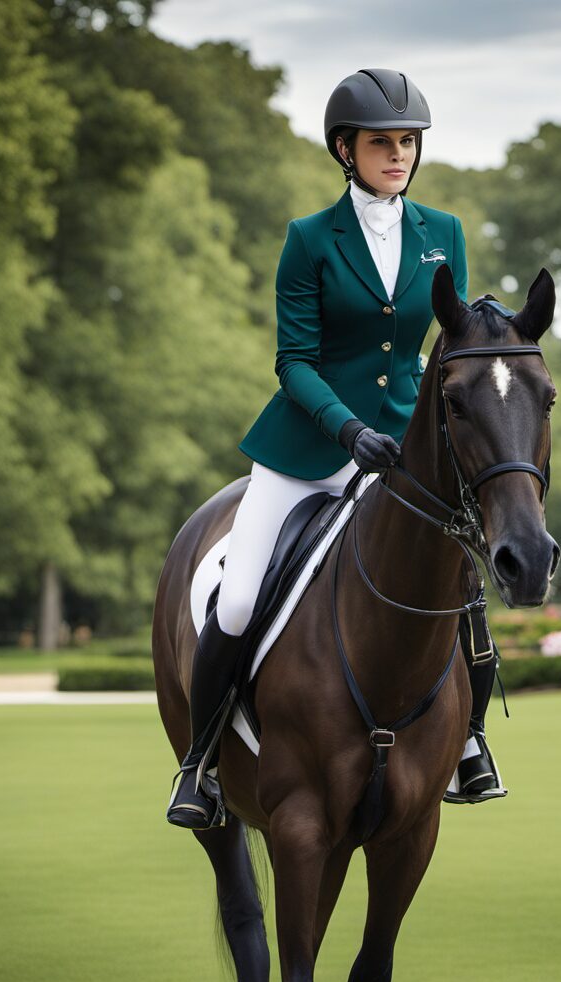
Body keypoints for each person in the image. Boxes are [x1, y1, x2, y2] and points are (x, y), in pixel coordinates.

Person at [167, 68, 506, 830]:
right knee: (244, 592)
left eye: (408, 142)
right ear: (345, 151)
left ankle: (470, 745)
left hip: (407, 448)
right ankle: (199, 764)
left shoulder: (442, 233)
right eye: (382, 143)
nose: (398, 155)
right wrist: (347, 430)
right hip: (310, 446)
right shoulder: (309, 239)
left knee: (465, 592)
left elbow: (448, 337)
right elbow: (293, 361)